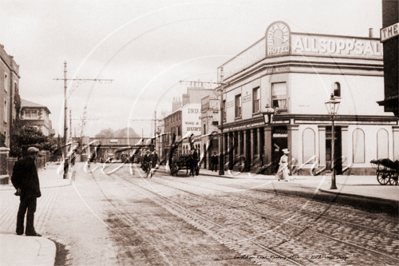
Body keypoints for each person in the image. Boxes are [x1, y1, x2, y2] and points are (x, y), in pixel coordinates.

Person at [11, 147, 43, 237]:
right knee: (31, 211)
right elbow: (33, 179)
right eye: (36, 154)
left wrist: (17, 187)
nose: (37, 156)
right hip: (31, 191)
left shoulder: (19, 162)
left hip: (23, 191)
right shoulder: (31, 163)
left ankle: (19, 230)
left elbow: (13, 177)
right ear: (33, 154)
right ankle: (30, 230)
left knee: (22, 210)